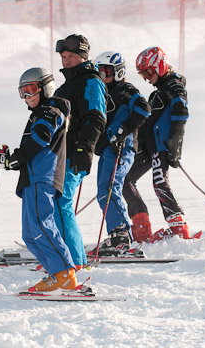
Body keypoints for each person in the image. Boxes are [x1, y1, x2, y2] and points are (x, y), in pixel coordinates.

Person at [0, 67, 77, 292]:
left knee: (43, 225)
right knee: (30, 234)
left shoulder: (50, 111)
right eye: (23, 92)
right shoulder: (39, 113)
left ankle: (64, 272)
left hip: (44, 176)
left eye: (31, 89)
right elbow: (30, 149)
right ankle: (58, 274)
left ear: (46, 88)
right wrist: (10, 160)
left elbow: (40, 138)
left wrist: (16, 158)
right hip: (32, 177)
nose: (27, 96)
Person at [122, 46, 191, 242]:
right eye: (142, 74)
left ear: (159, 66)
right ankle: (141, 228)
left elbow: (181, 114)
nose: (145, 77)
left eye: (148, 72)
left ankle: (179, 227)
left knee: (160, 184)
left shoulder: (174, 87)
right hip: (149, 148)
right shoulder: (158, 93)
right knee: (125, 181)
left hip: (162, 147)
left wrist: (175, 144)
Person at [53, 34, 107, 268]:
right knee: (56, 202)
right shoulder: (69, 83)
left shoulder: (90, 81)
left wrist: (84, 149)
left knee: (62, 202)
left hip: (74, 153)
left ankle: (73, 261)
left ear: (83, 57)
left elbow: (96, 117)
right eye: (64, 56)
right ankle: (64, 256)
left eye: (71, 56)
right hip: (59, 153)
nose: (66, 61)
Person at [89, 51, 150, 256]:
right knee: (103, 191)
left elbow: (143, 108)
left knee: (109, 188)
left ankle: (121, 235)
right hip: (108, 148)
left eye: (107, 71)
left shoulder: (125, 89)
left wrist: (122, 132)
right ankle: (119, 234)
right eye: (99, 71)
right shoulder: (101, 93)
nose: (102, 75)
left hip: (121, 148)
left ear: (118, 71)